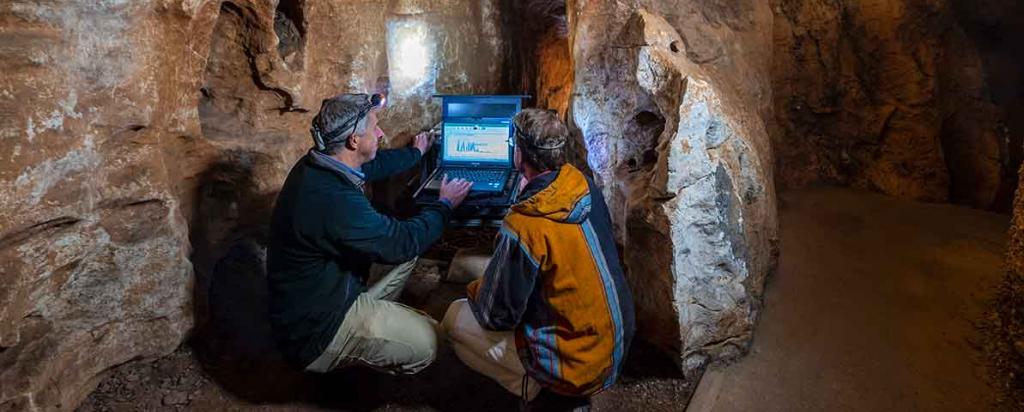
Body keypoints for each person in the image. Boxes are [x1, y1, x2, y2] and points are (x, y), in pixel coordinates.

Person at [441, 109, 635, 409]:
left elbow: (497, 316)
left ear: (519, 155)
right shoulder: (581, 184)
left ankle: (540, 389)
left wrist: (478, 288)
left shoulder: (524, 225)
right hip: (615, 346)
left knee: (455, 318)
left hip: (575, 365)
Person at [267, 93, 473, 375]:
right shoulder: (331, 199)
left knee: (405, 250)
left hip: (329, 291)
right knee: (432, 341)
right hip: (318, 330)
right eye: (375, 127)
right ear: (354, 140)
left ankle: (377, 321)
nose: (380, 132)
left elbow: (372, 164)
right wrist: (445, 204)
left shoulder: (318, 164)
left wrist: (415, 153)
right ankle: (352, 358)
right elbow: (401, 242)